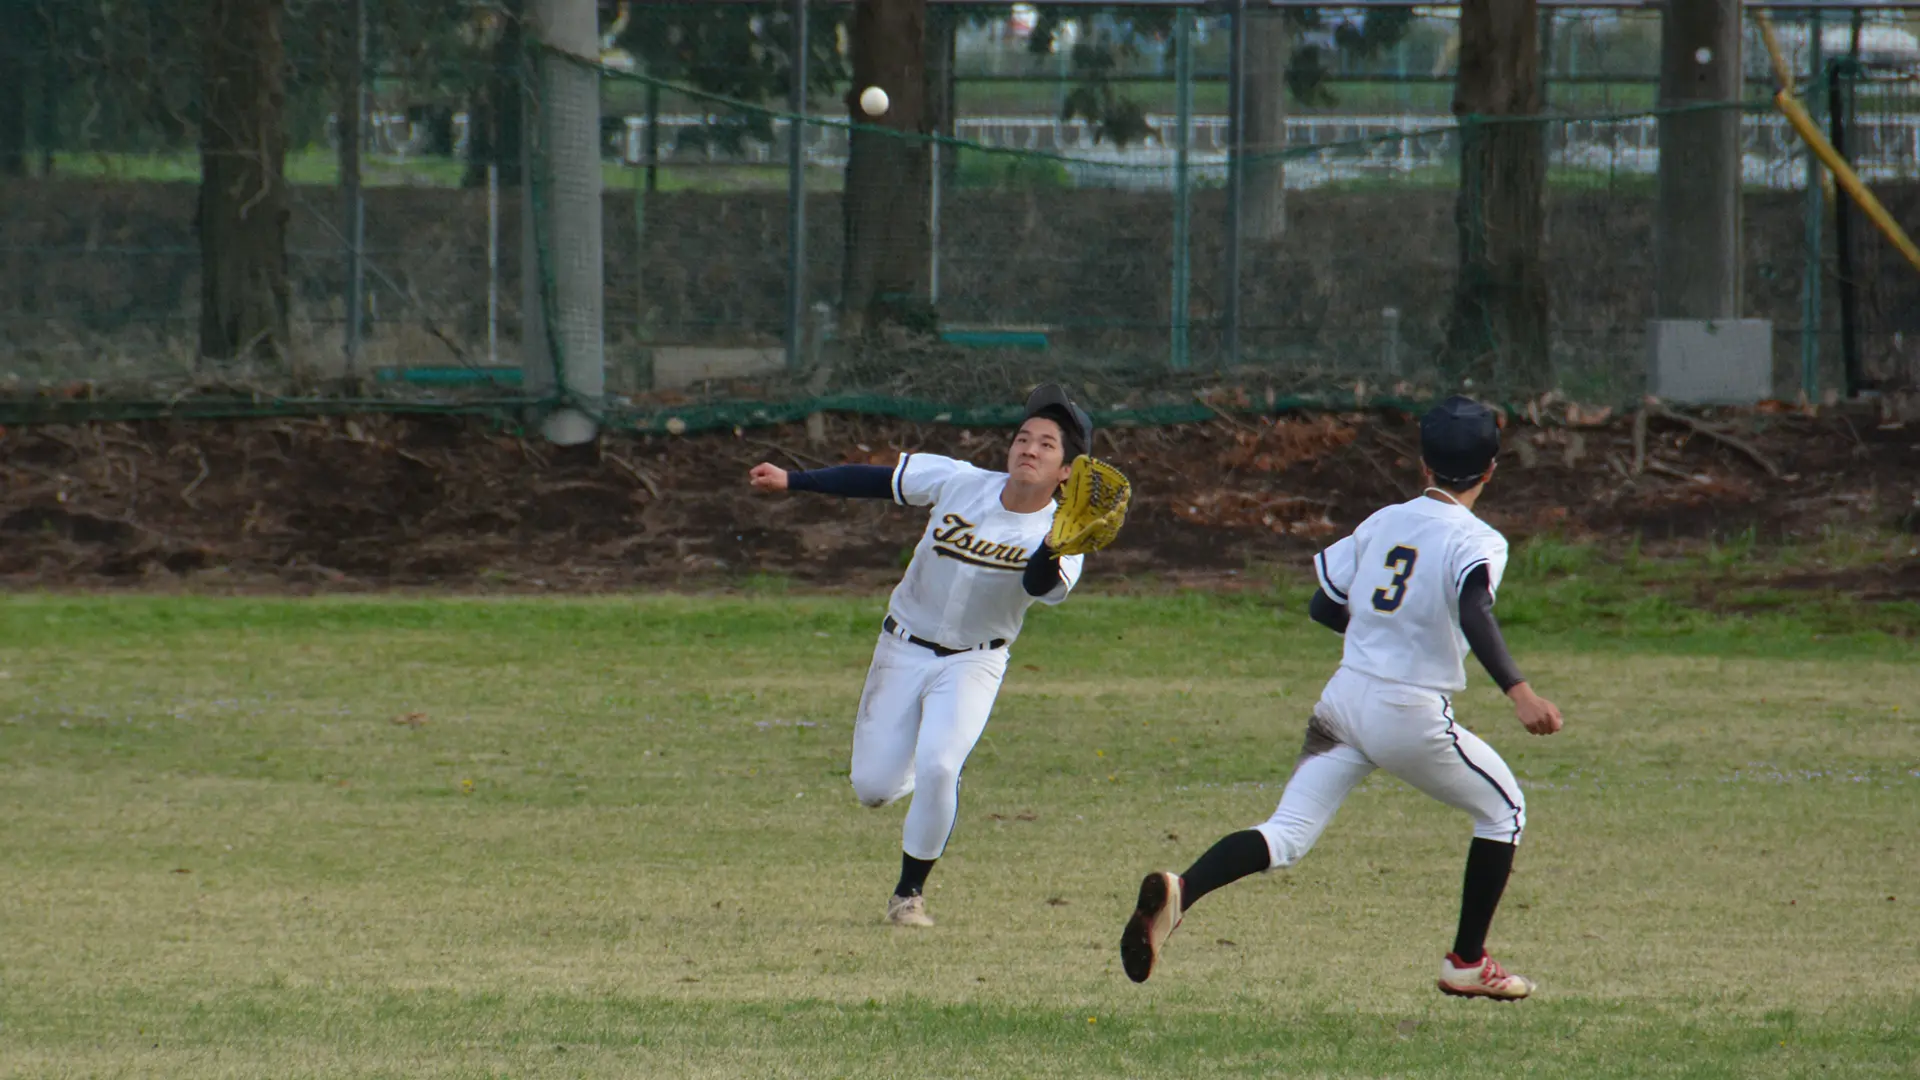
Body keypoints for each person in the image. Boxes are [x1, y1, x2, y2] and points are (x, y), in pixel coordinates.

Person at [1118, 395, 1564, 1000]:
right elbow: (1474, 606)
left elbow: (1324, 604)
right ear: (1491, 470)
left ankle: (1182, 889)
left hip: (1345, 699)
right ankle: (1466, 960)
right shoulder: (1476, 538)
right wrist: (1520, 691)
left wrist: (1379, 635)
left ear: (1423, 466)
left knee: (1288, 833)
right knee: (1504, 811)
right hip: (1406, 711)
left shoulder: (1384, 520)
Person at [748, 385, 1098, 927]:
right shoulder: (962, 482)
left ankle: (908, 894)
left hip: (974, 662)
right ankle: (927, 762)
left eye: (1047, 444)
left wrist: (1054, 542)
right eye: (1023, 437)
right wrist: (795, 481)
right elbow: (876, 480)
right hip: (902, 644)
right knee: (873, 789)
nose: (1029, 448)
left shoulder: (1066, 538)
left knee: (940, 765)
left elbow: (1037, 583)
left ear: (1067, 472)